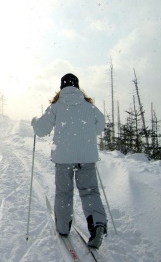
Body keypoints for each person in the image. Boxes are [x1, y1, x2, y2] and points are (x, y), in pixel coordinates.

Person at [31, 73, 107, 249]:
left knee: (64, 192)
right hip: (87, 157)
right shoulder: (89, 107)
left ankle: (63, 227)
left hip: (63, 158)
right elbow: (100, 124)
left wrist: (35, 122)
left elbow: (41, 130)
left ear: (62, 87)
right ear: (77, 86)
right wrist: (86, 133)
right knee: (90, 192)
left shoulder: (56, 106)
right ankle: (97, 224)